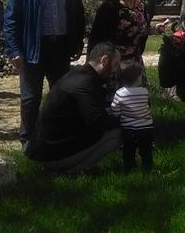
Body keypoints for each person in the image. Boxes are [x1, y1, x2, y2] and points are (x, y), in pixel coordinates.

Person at [4, 0, 87, 148]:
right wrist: (14, 50)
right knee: (31, 98)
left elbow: (77, 13)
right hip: (34, 48)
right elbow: (11, 19)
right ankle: (28, 141)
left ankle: (56, 136)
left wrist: (77, 43)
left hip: (60, 48)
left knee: (61, 95)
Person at [26, 41, 122, 173]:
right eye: (115, 64)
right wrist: (124, 118)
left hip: (45, 150)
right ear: (104, 60)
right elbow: (97, 122)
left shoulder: (78, 74)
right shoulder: (86, 84)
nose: (116, 70)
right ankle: (75, 169)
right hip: (53, 156)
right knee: (120, 132)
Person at [89, 0, 150, 64]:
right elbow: (96, 36)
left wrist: (156, 29)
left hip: (135, 60)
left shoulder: (142, 7)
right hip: (112, 61)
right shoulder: (110, 6)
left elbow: (142, 31)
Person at [111, 60, 154, 171]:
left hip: (129, 129)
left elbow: (115, 112)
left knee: (128, 151)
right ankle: (148, 168)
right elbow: (148, 106)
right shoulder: (144, 91)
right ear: (138, 78)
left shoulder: (120, 93)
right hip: (146, 128)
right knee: (146, 151)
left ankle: (129, 168)